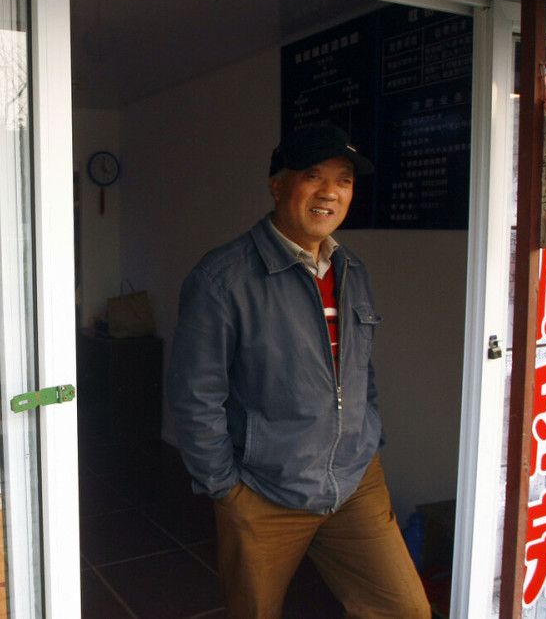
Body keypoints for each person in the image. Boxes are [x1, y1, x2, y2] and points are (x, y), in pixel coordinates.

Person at [166, 124, 430, 618]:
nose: (330, 191)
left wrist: (366, 437)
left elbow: (360, 370)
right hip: (266, 489)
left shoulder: (353, 269)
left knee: (405, 609)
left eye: (344, 180)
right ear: (277, 184)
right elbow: (195, 396)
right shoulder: (222, 278)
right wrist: (226, 488)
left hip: (354, 481)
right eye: (313, 175)